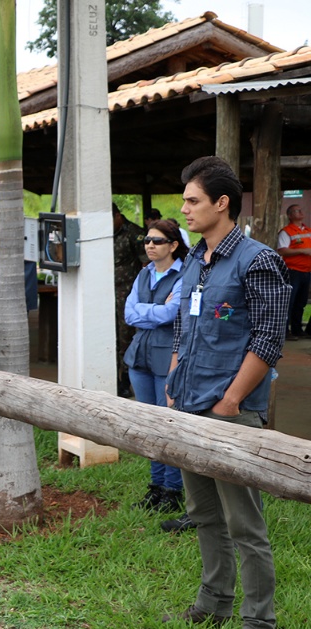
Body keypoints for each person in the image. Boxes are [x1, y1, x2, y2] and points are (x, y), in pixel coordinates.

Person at [162, 156, 290, 628]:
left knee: (245, 523)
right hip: (189, 405)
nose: (186, 209)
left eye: (193, 201)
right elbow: (184, 328)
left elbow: (268, 340)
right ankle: (213, 601)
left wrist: (231, 401)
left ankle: (258, 619)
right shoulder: (195, 256)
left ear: (222, 203)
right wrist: (175, 386)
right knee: (203, 513)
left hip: (229, 412)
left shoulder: (258, 260)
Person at [124, 220, 187, 514]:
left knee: (168, 426)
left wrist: (145, 312)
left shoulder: (184, 275)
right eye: (147, 240)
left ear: (173, 245)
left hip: (167, 359)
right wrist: (154, 311)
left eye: (157, 241)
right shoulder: (143, 273)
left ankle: (172, 491)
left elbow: (172, 314)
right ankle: (156, 487)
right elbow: (128, 314)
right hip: (140, 358)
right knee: (149, 428)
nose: (150, 245)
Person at [112, 203, 149, 397]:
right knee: (111, 338)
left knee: (126, 338)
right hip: (106, 294)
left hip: (126, 294)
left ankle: (124, 382)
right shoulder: (102, 233)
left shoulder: (134, 233)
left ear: (118, 216)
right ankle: (113, 378)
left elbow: (146, 262)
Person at [276, 203, 311, 340]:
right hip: (293, 271)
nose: (301, 212)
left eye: (301, 210)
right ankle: (285, 331)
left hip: (306, 271)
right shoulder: (287, 231)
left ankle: (297, 329)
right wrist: (302, 251)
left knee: (301, 302)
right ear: (290, 216)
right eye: (297, 211)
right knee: (289, 302)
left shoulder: (307, 230)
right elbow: (282, 250)